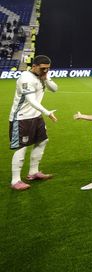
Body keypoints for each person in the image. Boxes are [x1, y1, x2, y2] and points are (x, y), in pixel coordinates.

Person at [8, 55, 58, 191]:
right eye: (43, 69)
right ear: (34, 66)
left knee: (42, 141)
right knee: (21, 147)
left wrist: (46, 77)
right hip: (22, 117)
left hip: (35, 116)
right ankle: (15, 180)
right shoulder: (25, 78)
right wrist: (47, 112)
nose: (45, 71)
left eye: (48, 69)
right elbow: (31, 100)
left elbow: (54, 89)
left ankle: (33, 172)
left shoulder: (43, 75)